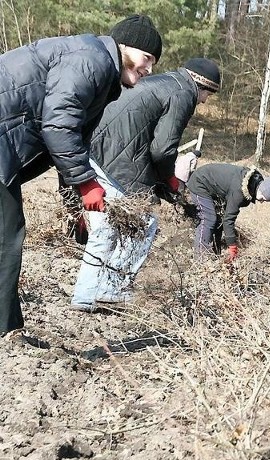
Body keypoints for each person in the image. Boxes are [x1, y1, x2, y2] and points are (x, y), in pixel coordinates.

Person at [0, 14, 162, 334]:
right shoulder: (92, 61)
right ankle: (6, 333)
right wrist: (87, 184)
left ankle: (9, 329)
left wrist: (75, 202)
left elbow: (73, 143)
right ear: (125, 46)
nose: (149, 69)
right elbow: (59, 125)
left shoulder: (99, 70)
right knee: (7, 235)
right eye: (147, 58)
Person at [70, 58, 221, 312]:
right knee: (141, 225)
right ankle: (111, 290)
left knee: (106, 228)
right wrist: (172, 180)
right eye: (207, 93)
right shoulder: (184, 93)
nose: (204, 100)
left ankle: (87, 296)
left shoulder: (164, 81)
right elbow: (162, 150)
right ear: (200, 85)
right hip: (118, 160)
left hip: (98, 147)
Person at [186, 163, 270, 262]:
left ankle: (215, 252)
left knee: (218, 220)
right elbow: (229, 219)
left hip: (212, 185)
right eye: (262, 198)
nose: (261, 202)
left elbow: (225, 218)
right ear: (261, 189)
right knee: (209, 219)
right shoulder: (240, 191)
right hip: (200, 182)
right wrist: (232, 246)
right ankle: (201, 258)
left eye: (264, 201)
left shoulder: (253, 182)